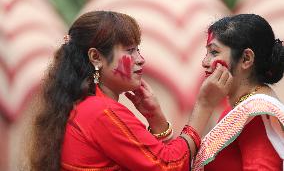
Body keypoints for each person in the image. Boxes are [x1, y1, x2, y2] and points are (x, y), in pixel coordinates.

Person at [28, 11, 232, 171]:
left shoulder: (84, 105)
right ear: (96, 57)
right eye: (129, 50)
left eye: (138, 49)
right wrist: (204, 105)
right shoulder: (102, 112)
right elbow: (170, 166)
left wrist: (156, 119)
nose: (141, 59)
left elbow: (154, 161)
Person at [193, 14, 284, 170]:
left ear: (246, 59)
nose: (204, 62)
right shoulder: (237, 109)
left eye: (214, 52)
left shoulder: (257, 114)